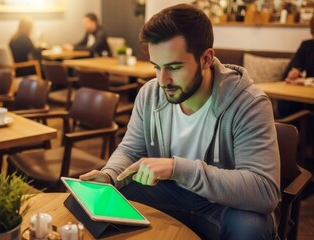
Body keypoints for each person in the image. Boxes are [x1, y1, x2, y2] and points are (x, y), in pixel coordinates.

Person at [80, 4, 280, 240]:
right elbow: (131, 149)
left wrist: (177, 169)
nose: (162, 80)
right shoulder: (150, 94)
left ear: (206, 59)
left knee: (251, 229)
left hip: (224, 206)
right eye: (157, 67)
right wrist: (110, 175)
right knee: (98, 206)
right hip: (168, 194)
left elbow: (264, 191)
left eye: (174, 67)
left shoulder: (248, 103)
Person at [278, 15, 314, 117]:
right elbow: (292, 69)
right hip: (305, 97)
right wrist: (293, 74)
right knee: (285, 101)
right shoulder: (307, 46)